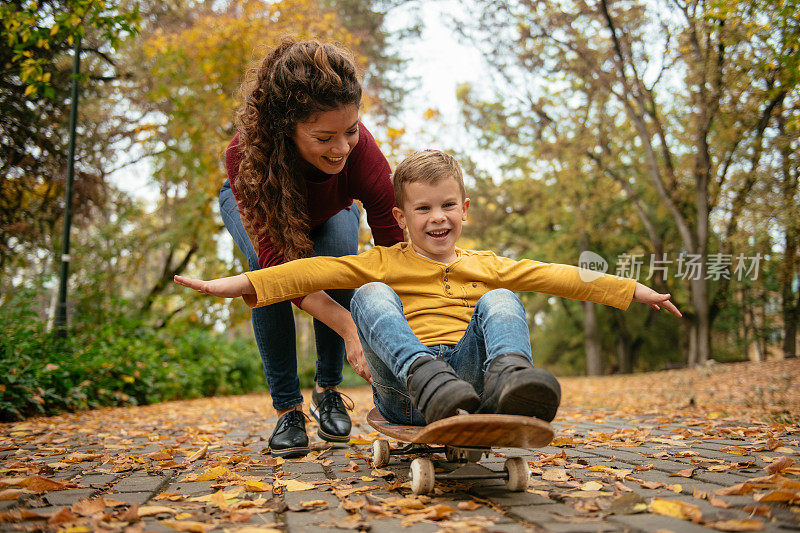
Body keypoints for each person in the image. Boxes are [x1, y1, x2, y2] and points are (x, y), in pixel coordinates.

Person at [183, 150, 681, 427]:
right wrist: (238, 283)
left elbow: (559, 275)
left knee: (503, 296)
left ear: (465, 210)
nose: (437, 218)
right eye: (422, 209)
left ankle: (510, 381)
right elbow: (306, 274)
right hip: (406, 391)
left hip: (468, 384)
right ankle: (424, 375)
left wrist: (634, 289)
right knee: (369, 294)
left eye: (447, 206)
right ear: (401, 218)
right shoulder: (382, 260)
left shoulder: (486, 264)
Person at [217, 37, 403, 457]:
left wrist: (398, 326)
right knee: (262, 278)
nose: (341, 148)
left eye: (351, 131)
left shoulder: (362, 154)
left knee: (340, 261)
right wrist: (350, 326)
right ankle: (287, 409)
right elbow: (280, 271)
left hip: (332, 207)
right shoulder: (246, 156)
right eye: (324, 137)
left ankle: (328, 390)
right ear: (287, 128)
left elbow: (395, 249)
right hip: (262, 200)